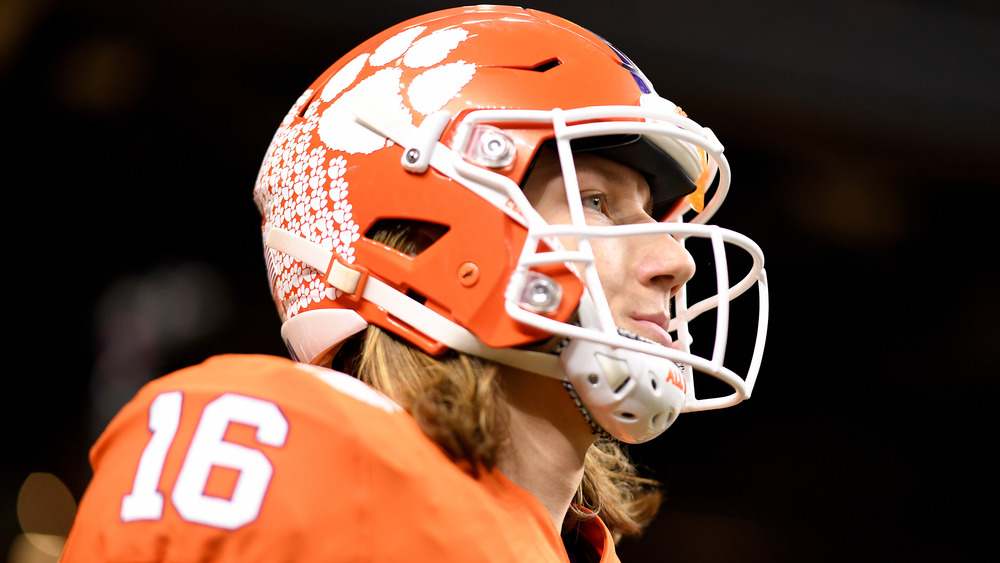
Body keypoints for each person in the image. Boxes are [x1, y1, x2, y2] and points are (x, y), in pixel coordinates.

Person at [62, 5, 768, 562]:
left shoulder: (571, 543)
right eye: (594, 201)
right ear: (425, 230)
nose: (675, 261)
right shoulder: (288, 452)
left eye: (661, 217)